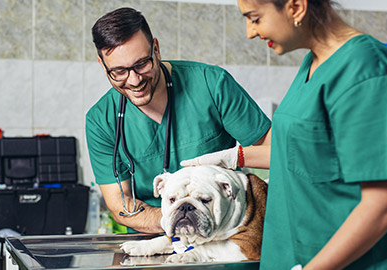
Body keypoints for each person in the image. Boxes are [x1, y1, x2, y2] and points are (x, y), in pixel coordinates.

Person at [181, 0, 387, 269]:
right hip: (292, 256)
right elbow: (307, 153)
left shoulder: (367, 70)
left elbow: (384, 205)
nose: (250, 32)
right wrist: (236, 157)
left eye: (255, 18)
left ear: (296, 7)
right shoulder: (312, 63)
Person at [85, 7, 271, 234]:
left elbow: (276, 152)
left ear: (156, 49)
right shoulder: (100, 120)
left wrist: (235, 157)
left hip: (224, 236)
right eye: (119, 72)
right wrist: (177, 217)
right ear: (103, 66)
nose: (134, 80)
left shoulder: (212, 85)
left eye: (142, 64)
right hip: (152, 242)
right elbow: (119, 204)